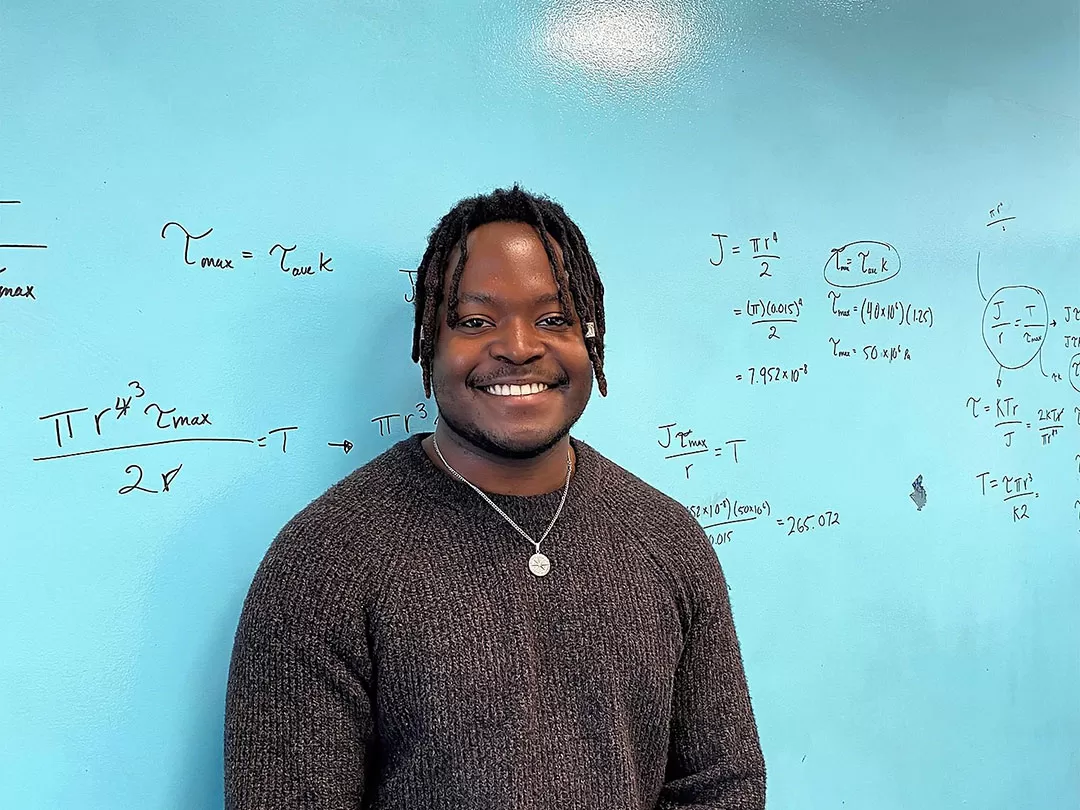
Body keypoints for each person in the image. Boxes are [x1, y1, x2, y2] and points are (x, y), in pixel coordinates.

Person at [224, 185, 766, 809]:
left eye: (554, 319)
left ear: (590, 339)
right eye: (476, 321)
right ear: (430, 342)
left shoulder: (667, 538)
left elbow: (722, 788)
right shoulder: (325, 559)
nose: (518, 346)